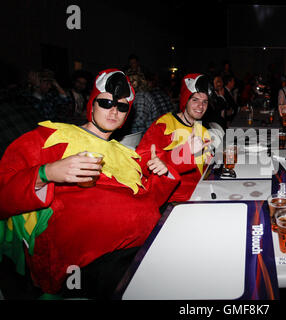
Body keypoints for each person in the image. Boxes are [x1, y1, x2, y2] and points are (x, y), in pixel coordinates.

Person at [0, 69, 180, 299]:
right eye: (106, 102)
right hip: (86, 264)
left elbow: (150, 203)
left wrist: (162, 174)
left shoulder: (127, 154)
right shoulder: (51, 137)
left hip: (144, 247)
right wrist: (46, 173)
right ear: (91, 104)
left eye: (122, 106)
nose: (114, 110)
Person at [136, 73, 213, 204]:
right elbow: (142, 162)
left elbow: (202, 170)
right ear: (185, 100)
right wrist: (185, 152)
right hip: (175, 201)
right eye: (195, 100)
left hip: (200, 194)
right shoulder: (165, 126)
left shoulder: (203, 130)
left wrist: (207, 161)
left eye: (204, 101)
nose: (201, 106)